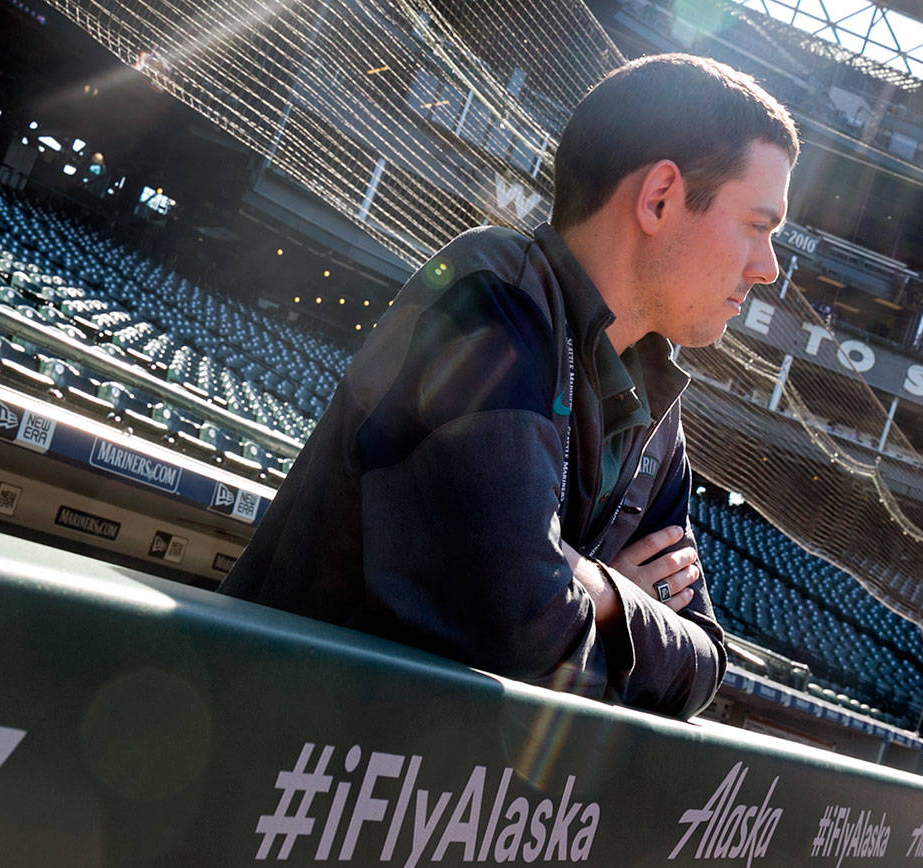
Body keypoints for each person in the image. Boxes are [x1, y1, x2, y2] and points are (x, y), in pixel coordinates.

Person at [219, 53, 800, 720]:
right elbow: (517, 627)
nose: (767, 268)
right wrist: (611, 604)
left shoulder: (655, 403)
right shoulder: (493, 300)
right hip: (265, 744)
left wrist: (596, 589)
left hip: (406, 772)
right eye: (758, 226)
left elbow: (702, 668)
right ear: (659, 197)